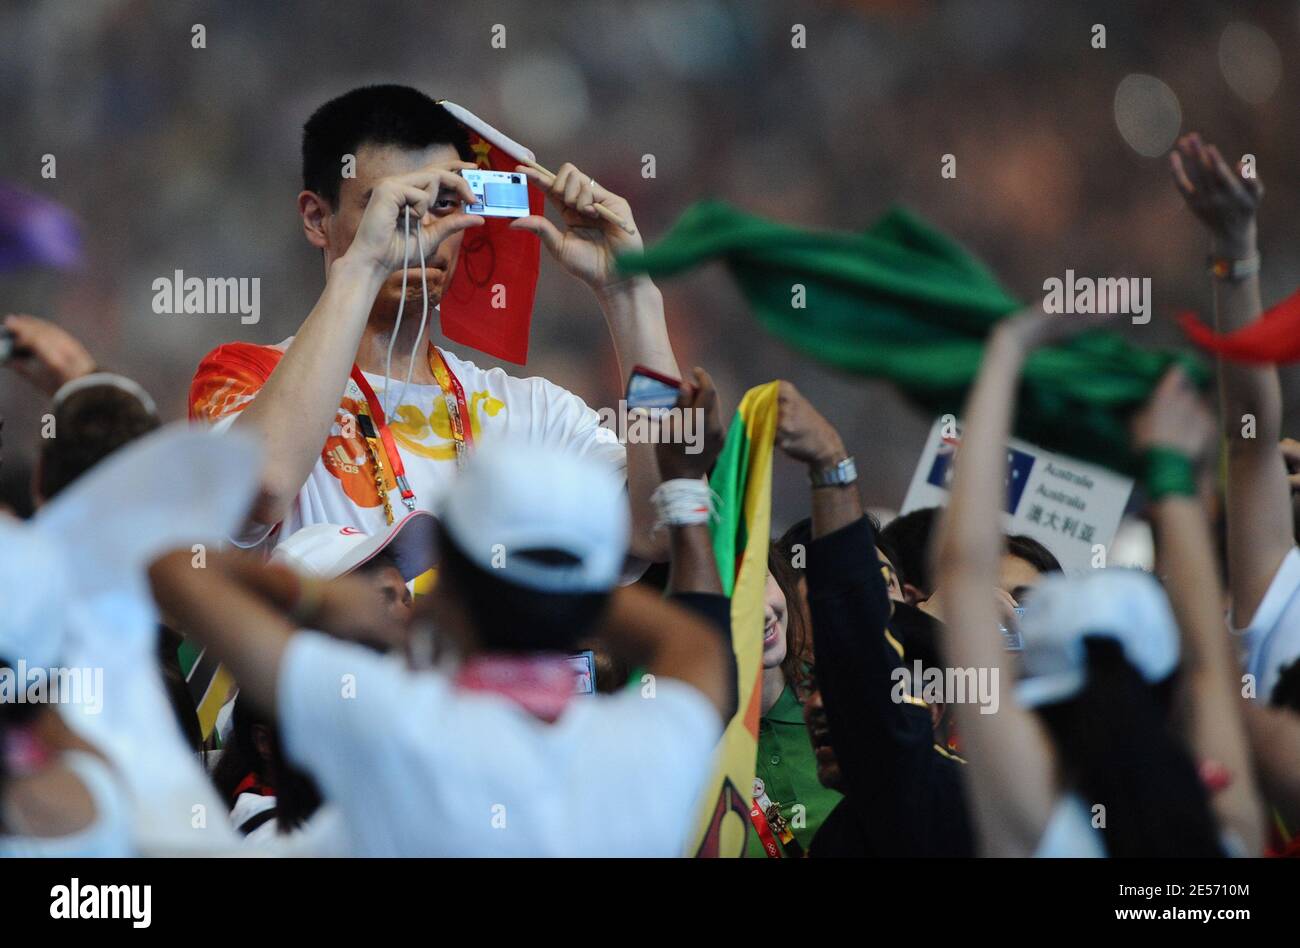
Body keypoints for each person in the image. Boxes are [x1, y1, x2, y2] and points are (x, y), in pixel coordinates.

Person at [151, 370, 734, 856]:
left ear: (449, 581)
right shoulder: (652, 750)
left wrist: (325, 598)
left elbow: (174, 568)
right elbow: (698, 640)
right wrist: (673, 494)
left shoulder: (391, 728)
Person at [189, 85, 679, 564]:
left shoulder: (534, 412)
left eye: (443, 201)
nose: (423, 232)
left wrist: (631, 296)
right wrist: (364, 266)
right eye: (396, 206)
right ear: (318, 218)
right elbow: (263, 491)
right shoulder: (245, 377)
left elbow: (658, 529)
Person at [931, 301, 1264, 857]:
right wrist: (1171, 469)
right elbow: (1208, 663)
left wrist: (1007, 351)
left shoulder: (1033, 818)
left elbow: (962, 574)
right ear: (1166, 679)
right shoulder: (1226, 826)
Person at [767, 381, 974, 857]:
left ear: (931, 706)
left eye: (842, 679)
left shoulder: (943, 800)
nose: (817, 705)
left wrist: (829, 464)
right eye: (812, 683)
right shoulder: (841, 836)